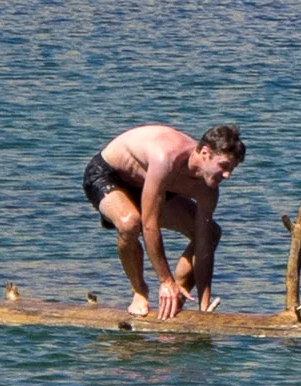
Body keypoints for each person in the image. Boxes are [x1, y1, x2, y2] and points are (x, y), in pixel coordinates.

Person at [83, 122, 246, 318]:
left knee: (210, 233)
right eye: (224, 166)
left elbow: (203, 245)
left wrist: (205, 306)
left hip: (153, 186)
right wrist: (165, 281)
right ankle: (140, 292)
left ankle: (175, 300)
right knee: (130, 223)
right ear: (205, 152)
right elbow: (149, 226)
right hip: (109, 177)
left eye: (232, 169)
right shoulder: (166, 158)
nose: (227, 175)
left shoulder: (208, 189)